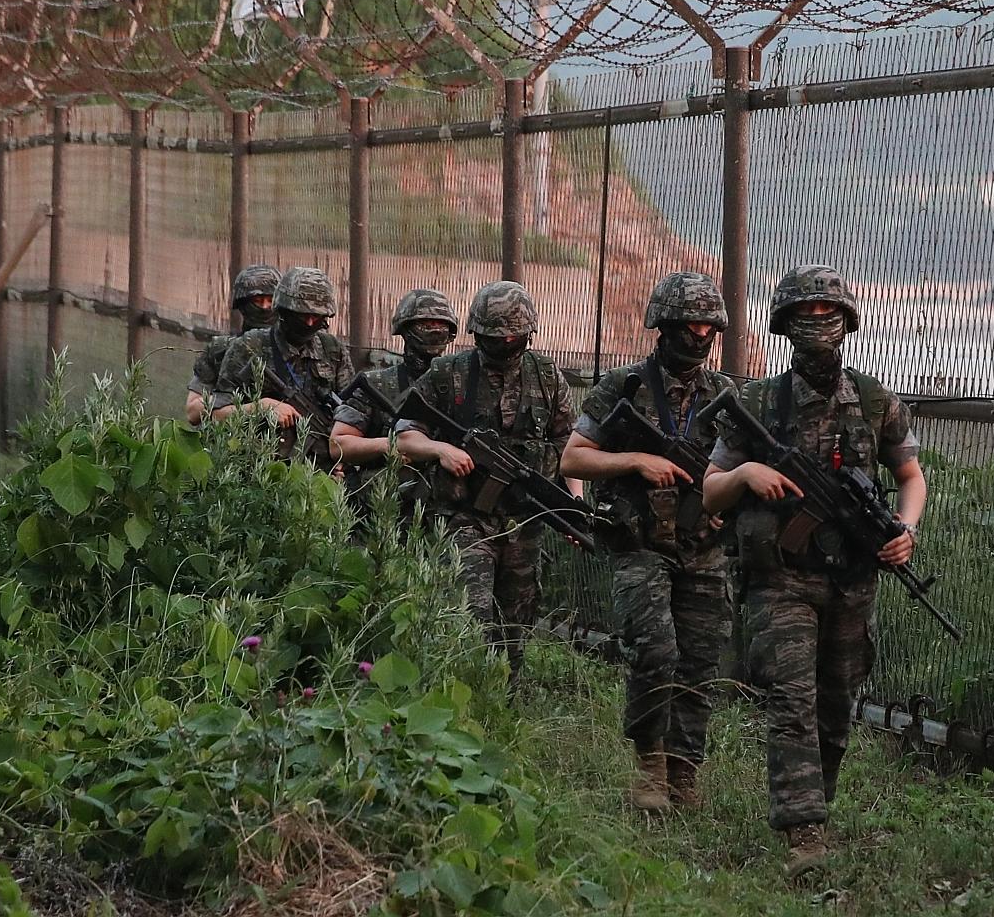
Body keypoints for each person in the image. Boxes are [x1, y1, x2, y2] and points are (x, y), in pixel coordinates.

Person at [702, 264, 925, 876]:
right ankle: (803, 832)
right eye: (806, 316)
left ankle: (816, 799)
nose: (818, 326)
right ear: (785, 326)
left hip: (852, 577)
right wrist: (746, 476)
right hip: (781, 576)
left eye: (829, 315)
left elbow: (909, 476)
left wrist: (904, 530)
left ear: (848, 323)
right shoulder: (754, 403)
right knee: (792, 697)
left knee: (836, 697)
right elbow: (710, 490)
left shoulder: (876, 400)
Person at [559, 272, 737, 813]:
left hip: (703, 548)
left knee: (700, 662)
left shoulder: (727, 394)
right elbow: (573, 457)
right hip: (639, 543)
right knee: (655, 652)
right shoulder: (626, 387)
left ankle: (685, 774)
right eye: (688, 324)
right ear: (664, 325)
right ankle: (650, 768)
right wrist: (637, 459)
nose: (698, 334)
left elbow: (748, 464)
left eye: (708, 324)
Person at [395, 280, 582, 683]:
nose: (504, 344)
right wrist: (441, 451)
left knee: (515, 626)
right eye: (494, 337)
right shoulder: (449, 373)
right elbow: (405, 434)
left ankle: (505, 704)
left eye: (513, 338)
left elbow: (571, 449)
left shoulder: (547, 377)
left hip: (524, 521)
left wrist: (572, 506)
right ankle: (462, 698)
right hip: (464, 518)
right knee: (470, 615)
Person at [211, 266, 354, 468]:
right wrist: (261, 407)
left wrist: (342, 461)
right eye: (302, 315)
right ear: (283, 310)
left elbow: (351, 415)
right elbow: (216, 414)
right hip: (255, 466)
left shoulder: (333, 350)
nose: (310, 321)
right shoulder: (249, 346)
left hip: (319, 469)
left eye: (317, 316)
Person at [330, 288, 458, 509]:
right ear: (406, 330)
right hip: (382, 505)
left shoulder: (460, 384)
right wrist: (390, 446)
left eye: (441, 325)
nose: (435, 331)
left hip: (442, 510)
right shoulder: (377, 384)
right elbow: (338, 444)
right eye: (426, 325)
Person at [185, 264, 279, 425]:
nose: (264, 307)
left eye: (270, 301)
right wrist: (257, 408)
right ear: (242, 304)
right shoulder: (221, 349)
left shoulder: (299, 350)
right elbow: (193, 412)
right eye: (257, 300)